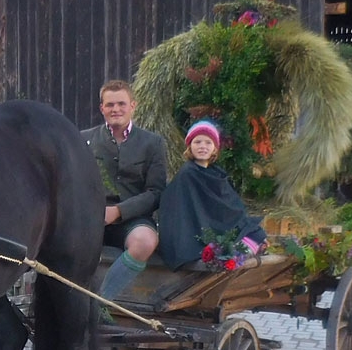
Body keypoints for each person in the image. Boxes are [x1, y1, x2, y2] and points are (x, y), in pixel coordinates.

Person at [82, 80, 168, 315]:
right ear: (102, 108)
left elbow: (156, 192)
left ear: (133, 106)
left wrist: (118, 212)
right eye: (110, 104)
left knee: (145, 241)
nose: (115, 109)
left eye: (121, 103)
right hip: (92, 218)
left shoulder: (152, 143)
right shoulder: (84, 141)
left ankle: (100, 305)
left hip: (133, 219)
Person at [158, 120, 267, 270]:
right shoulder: (188, 174)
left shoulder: (216, 173)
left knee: (256, 232)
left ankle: (234, 254)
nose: (203, 146)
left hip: (215, 224)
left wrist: (239, 223)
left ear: (215, 149)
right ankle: (228, 255)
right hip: (196, 230)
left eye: (208, 142)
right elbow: (185, 207)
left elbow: (226, 206)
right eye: (197, 142)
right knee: (241, 241)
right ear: (190, 146)